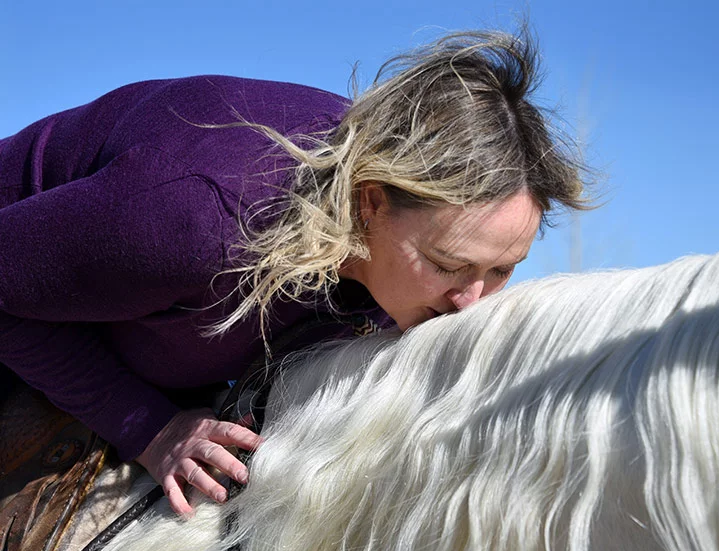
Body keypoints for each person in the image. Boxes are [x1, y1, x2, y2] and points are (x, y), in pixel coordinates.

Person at [0, 29, 586, 516]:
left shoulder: (399, 248)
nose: (472, 302)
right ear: (372, 202)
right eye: (449, 266)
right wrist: (151, 429)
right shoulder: (202, 220)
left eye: (503, 269)